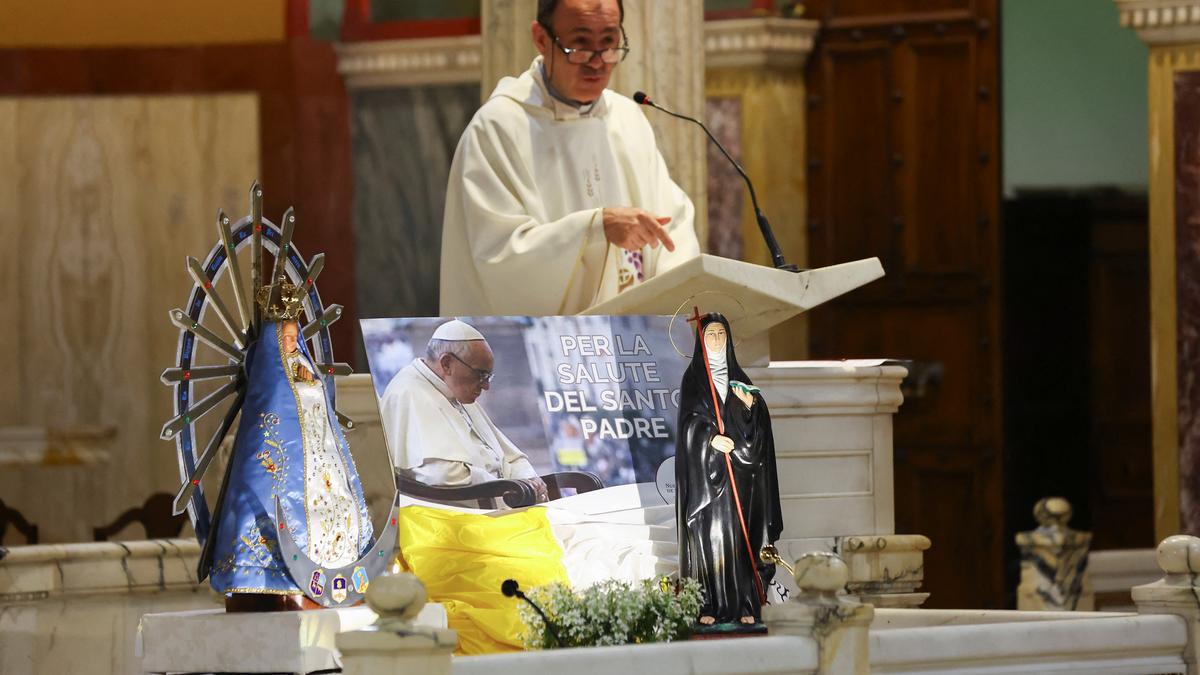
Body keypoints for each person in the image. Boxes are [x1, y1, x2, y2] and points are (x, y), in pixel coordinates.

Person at [439, 0, 701, 316]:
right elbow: (498, 259)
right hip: (544, 353)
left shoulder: (627, 119)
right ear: (541, 38)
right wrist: (595, 227)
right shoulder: (499, 128)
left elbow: (673, 224)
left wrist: (676, 299)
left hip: (633, 346)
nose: (597, 62)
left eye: (609, 43)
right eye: (579, 45)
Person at [206, 310, 373, 609]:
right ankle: (269, 577)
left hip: (317, 453)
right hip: (284, 463)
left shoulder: (304, 364)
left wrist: (312, 388)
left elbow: (319, 398)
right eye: (286, 338)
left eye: (296, 338)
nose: (292, 343)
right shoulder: (268, 373)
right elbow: (273, 405)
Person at [675, 313, 782, 626]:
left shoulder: (741, 378)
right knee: (711, 540)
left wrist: (749, 409)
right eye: (711, 335)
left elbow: (757, 433)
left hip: (740, 478)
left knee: (740, 539)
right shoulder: (693, 379)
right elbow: (687, 428)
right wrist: (709, 439)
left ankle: (747, 604)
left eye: (722, 334)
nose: (717, 340)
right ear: (701, 340)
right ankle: (709, 605)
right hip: (709, 483)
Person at [380, 319, 549, 502]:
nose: (486, 386)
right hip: (465, 518)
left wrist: (529, 477)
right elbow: (442, 475)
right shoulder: (408, 393)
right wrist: (510, 486)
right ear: (446, 364)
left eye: (489, 377)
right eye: (480, 375)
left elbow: (507, 455)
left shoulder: (454, 390)